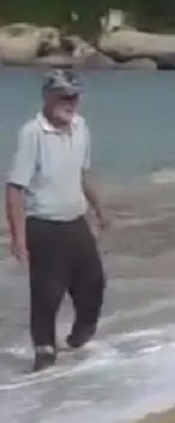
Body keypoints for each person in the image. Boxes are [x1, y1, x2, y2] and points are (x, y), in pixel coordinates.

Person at [5, 69, 108, 372]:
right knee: (47, 295)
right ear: (48, 97)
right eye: (64, 96)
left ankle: (79, 336)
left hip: (75, 221)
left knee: (93, 284)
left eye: (75, 96)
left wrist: (100, 209)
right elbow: (14, 189)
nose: (71, 103)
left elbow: (82, 174)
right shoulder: (32, 133)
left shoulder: (81, 127)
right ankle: (44, 354)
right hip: (44, 225)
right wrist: (18, 238)